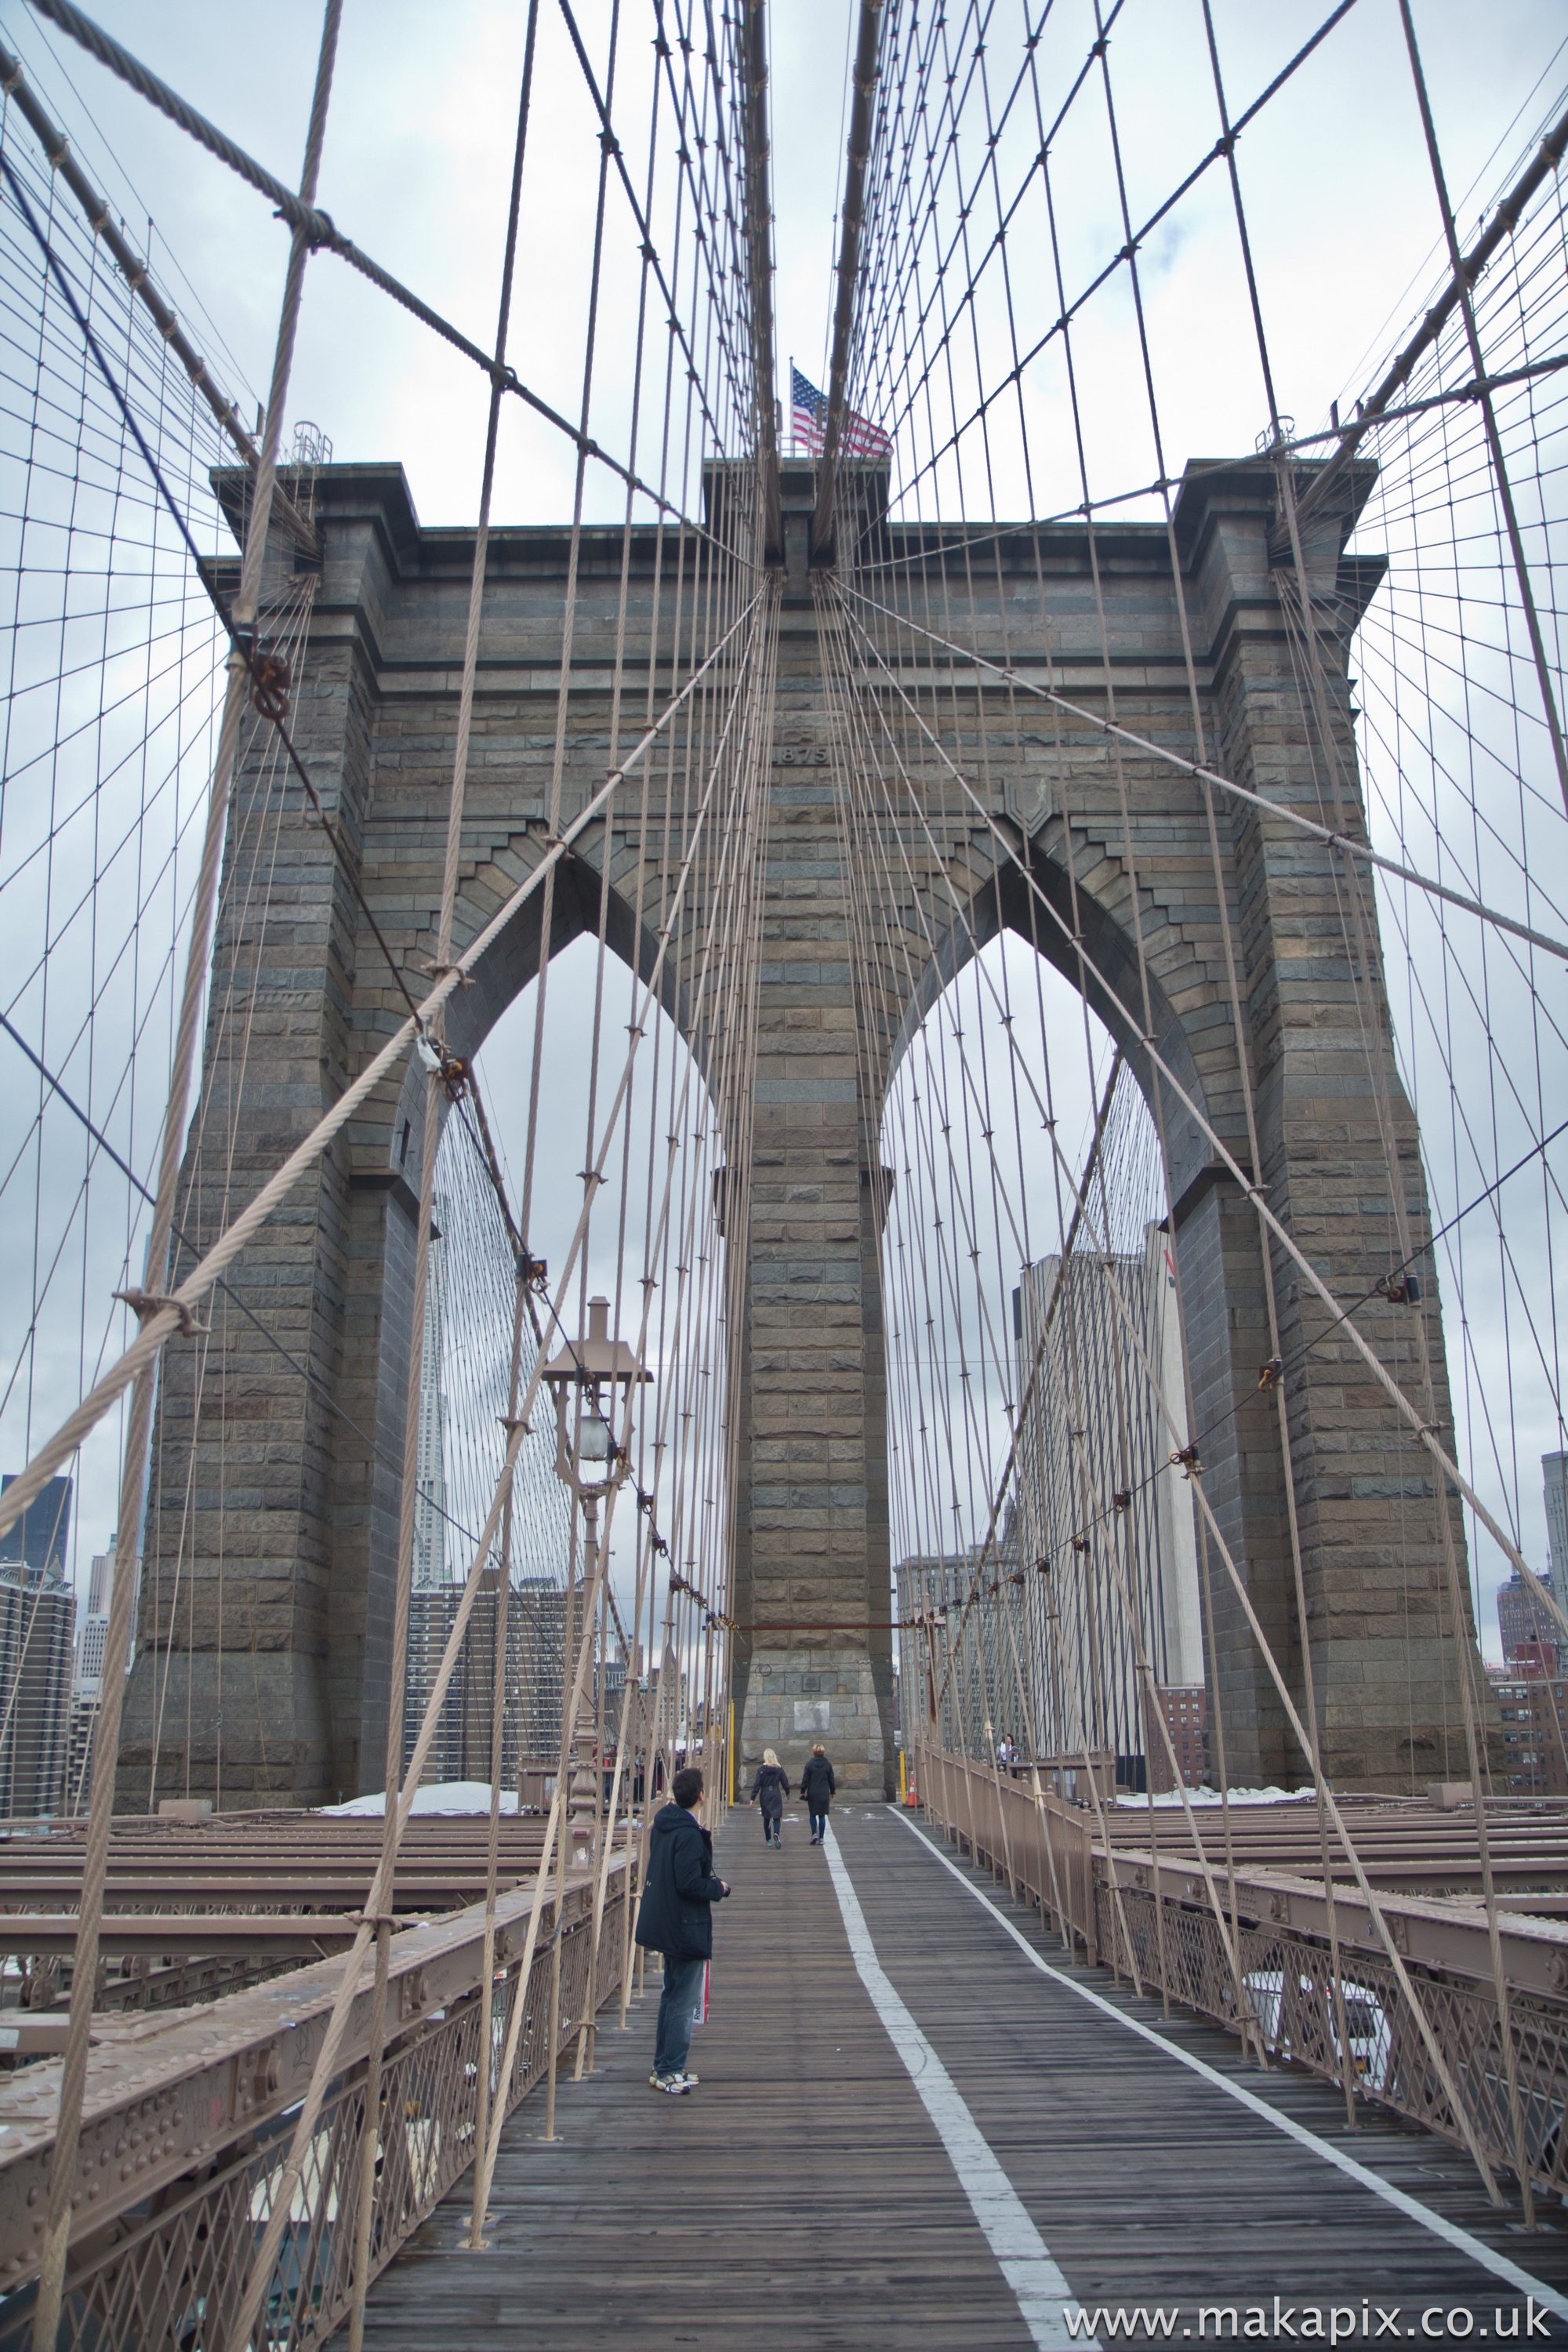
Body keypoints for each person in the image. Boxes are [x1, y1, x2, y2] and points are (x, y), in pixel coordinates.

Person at [633, 1762, 729, 2094]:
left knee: (671, 1996)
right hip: (685, 1926)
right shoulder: (687, 1834)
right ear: (701, 1796)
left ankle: (664, 2065)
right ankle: (669, 2069)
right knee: (681, 2000)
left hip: (668, 1923)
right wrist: (719, 1889)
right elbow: (689, 1883)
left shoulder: (664, 1826)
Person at [749, 1748, 789, 1846]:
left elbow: (757, 1785)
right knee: (776, 1816)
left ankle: (768, 1840)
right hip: (775, 1793)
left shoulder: (761, 1770)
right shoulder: (779, 1769)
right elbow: (785, 1782)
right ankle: (776, 1833)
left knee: (766, 1817)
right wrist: (787, 1792)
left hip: (765, 1794)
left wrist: (752, 1798)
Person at [800, 1743, 836, 1846]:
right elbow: (831, 1780)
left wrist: (803, 1791)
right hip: (824, 1793)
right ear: (823, 1753)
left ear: (814, 1753)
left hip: (813, 1793)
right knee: (822, 1816)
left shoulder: (809, 1764)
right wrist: (832, 1792)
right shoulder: (828, 1764)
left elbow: (805, 1779)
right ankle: (821, 1838)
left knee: (812, 1814)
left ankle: (814, 1834)